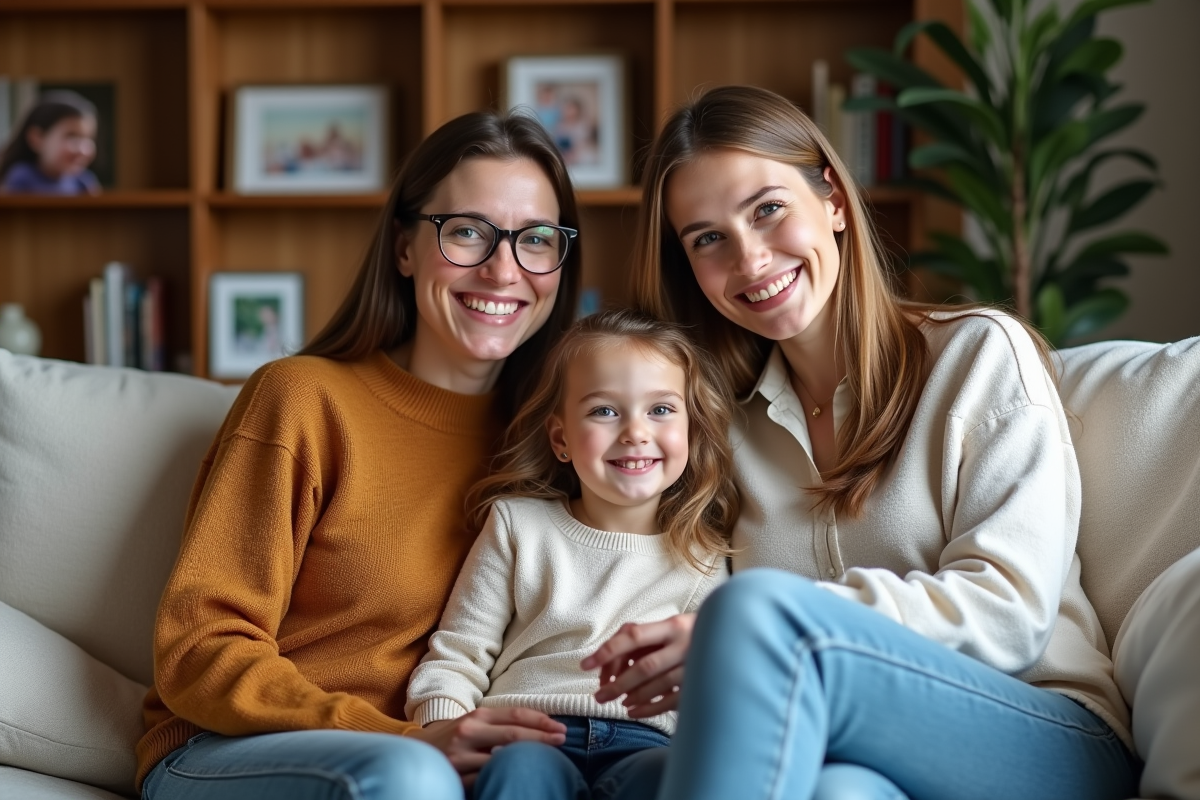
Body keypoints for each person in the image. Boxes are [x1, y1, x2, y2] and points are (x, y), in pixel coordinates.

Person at [584, 85, 1141, 799]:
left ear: (835, 201)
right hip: (850, 749)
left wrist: (768, 634)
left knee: (753, 613)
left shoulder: (976, 356)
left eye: (768, 210)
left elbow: (1012, 614)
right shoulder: (723, 424)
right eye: (708, 239)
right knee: (841, 793)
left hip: (1050, 735)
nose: (750, 259)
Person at [136, 110, 584, 800]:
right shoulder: (304, 398)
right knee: (408, 778)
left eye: (536, 239)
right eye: (467, 232)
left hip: (442, 764)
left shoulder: (559, 440)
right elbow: (200, 649)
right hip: (233, 751)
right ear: (404, 248)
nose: (504, 270)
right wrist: (400, 738)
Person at [406, 309, 737, 800]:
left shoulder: (705, 556)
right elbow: (458, 655)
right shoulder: (517, 525)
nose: (635, 432)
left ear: (690, 428)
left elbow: (712, 686)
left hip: (647, 743)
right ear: (560, 439)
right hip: (525, 733)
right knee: (519, 776)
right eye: (605, 411)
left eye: (661, 410)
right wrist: (447, 730)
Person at [0, 90, 101, 195]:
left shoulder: (84, 182)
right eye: (71, 136)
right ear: (36, 138)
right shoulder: (21, 178)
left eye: (88, 138)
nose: (82, 150)